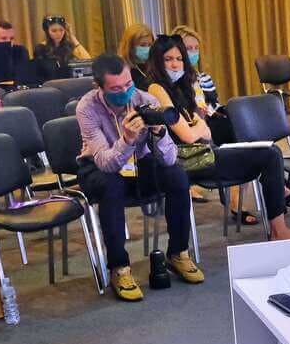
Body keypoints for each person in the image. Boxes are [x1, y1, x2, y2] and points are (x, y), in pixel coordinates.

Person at [73, 53, 204, 302]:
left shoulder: (146, 100)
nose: (125, 92)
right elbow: (106, 163)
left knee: (177, 176)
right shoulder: (87, 108)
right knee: (111, 184)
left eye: (128, 84)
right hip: (99, 168)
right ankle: (119, 268)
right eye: (115, 88)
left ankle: (178, 253)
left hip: (139, 165)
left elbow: (169, 158)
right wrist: (127, 140)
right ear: (98, 86)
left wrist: (159, 132)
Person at [144, 34, 290, 240]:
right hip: (181, 161)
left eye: (179, 59)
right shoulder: (156, 88)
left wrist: (199, 127)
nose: (175, 64)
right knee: (268, 155)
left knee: (271, 152)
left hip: (202, 153)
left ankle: (278, 228)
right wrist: (198, 127)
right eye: (168, 59)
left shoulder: (182, 88)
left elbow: (205, 131)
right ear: (158, 61)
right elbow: (188, 135)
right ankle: (277, 229)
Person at [33, 15, 91, 79]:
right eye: (54, 31)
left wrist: (72, 37)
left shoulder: (68, 46)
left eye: (61, 30)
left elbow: (88, 62)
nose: (58, 33)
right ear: (47, 32)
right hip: (51, 82)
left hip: (69, 80)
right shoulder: (40, 48)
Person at [117, 23, 156, 91]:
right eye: (142, 45)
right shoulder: (120, 69)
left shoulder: (153, 65)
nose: (147, 49)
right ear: (130, 46)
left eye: (150, 45)